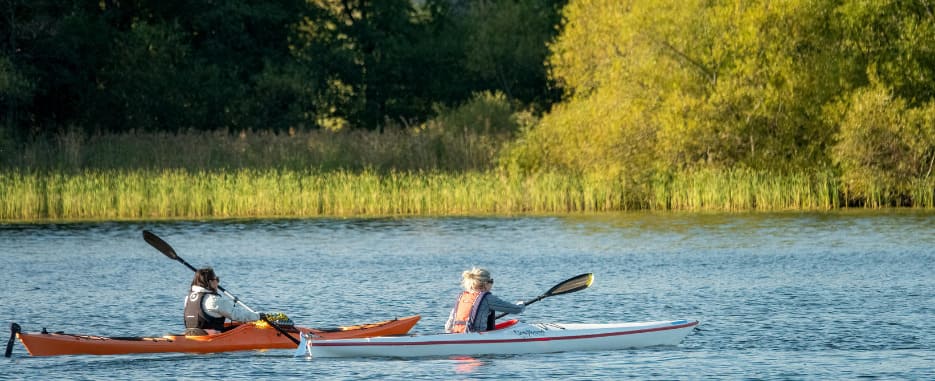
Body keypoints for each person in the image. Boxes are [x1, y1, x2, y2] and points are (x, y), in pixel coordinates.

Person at [445, 267, 525, 333]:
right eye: (491, 281)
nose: (492, 284)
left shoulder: (462, 297)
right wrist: (521, 304)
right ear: (486, 284)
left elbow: (448, 326)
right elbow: (516, 310)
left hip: (456, 334)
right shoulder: (487, 298)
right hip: (475, 337)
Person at [184, 267, 261, 336]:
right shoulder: (213, 300)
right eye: (216, 279)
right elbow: (237, 315)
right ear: (210, 282)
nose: (218, 283)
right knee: (246, 327)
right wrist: (258, 316)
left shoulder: (188, 298)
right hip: (211, 337)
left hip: (190, 334)